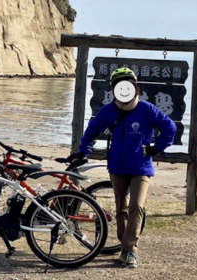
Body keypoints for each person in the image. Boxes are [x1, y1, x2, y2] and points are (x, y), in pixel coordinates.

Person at [68, 67, 176, 269]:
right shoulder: (108, 111)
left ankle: (129, 250)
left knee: (136, 206)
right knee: (121, 209)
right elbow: (92, 131)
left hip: (141, 167)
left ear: (135, 88)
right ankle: (124, 247)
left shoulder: (146, 109)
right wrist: (84, 150)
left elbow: (170, 127)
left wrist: (156, 148)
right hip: (117, 166)